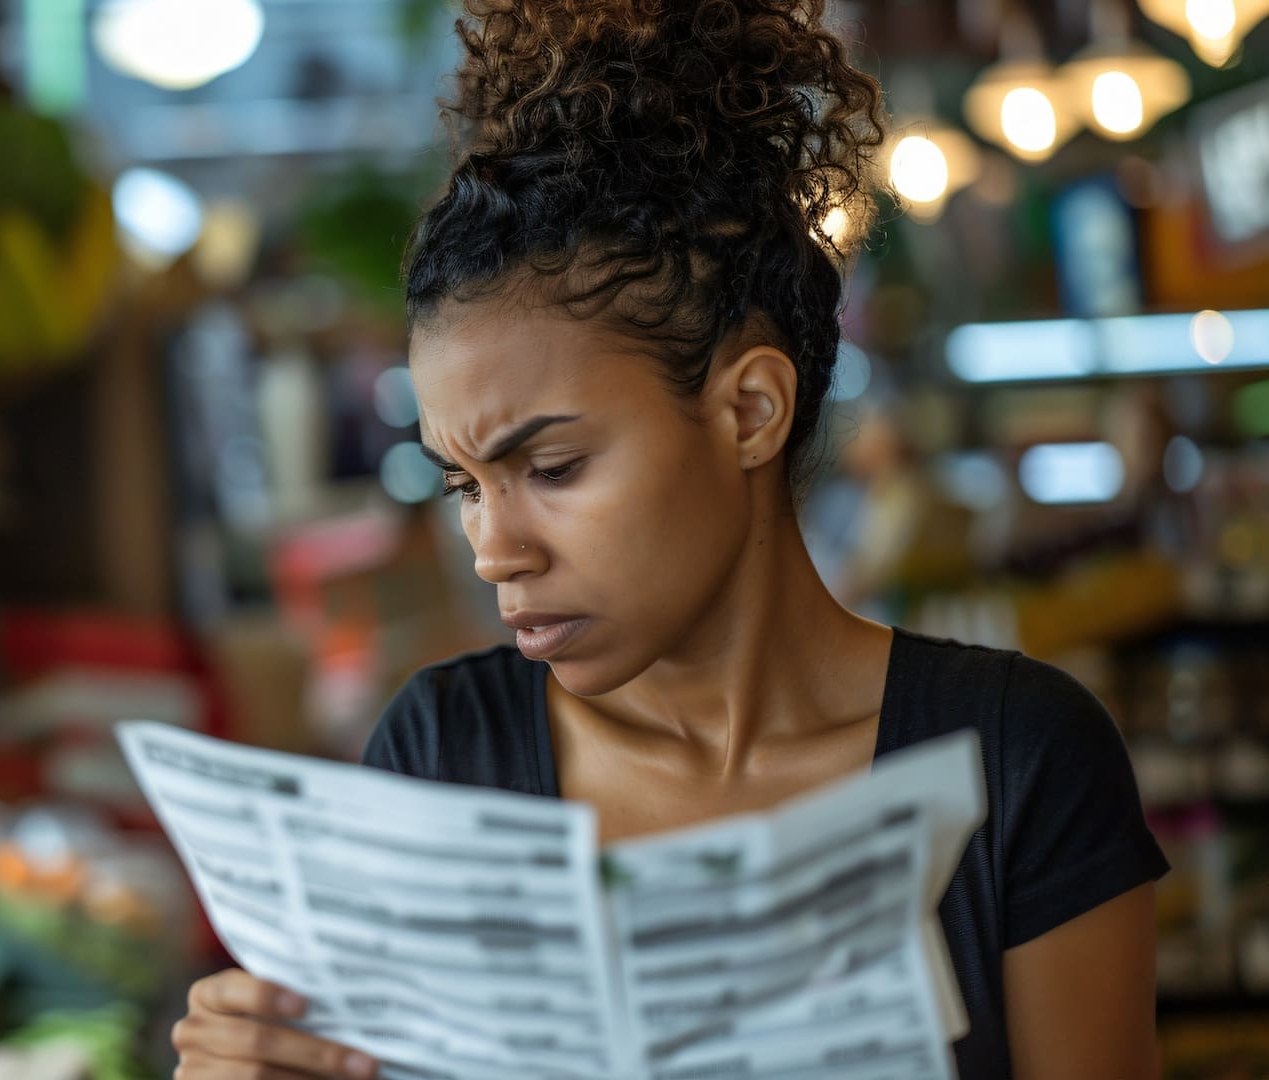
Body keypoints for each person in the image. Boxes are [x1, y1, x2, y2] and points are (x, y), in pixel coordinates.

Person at [170, 1, 1168, 1077]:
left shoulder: (1017, 761)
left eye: (551, 470)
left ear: (748, 411)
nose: (492, 549)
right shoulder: (442, 758)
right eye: (465, 483)